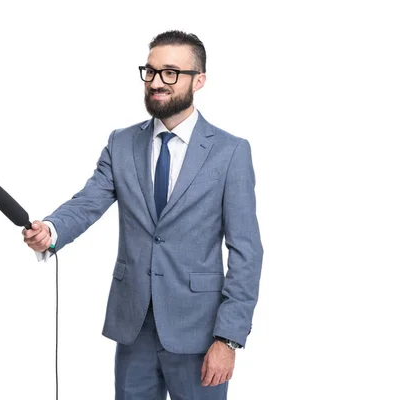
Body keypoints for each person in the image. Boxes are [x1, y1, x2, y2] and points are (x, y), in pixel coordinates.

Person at [22, 30, 263, 400]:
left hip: (199, 330)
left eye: (170, 73)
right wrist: (51, 229)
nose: (156, 82)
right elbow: (88, 201)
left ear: (198, 80)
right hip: (133, 325)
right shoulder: (121, 142)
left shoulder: (230, 153)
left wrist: (229, 338)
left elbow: (247, 252)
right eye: (149, 72)